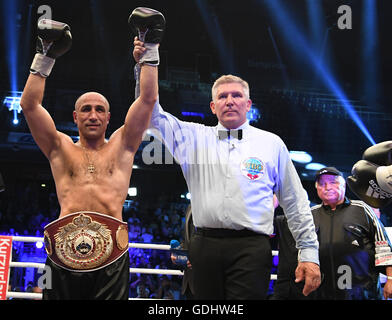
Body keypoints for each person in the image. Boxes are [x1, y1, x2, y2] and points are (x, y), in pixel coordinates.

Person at [133, 41, 321, 299]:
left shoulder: (271, 143)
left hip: (252, 247)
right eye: (222, 96)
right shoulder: (193, 137)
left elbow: (295, 202)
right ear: (213, 106)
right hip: (204, 244)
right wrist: (148, 60)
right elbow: (150, 113)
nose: (229, 101)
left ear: (248, 104)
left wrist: (309, 253)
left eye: (236, 96)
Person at [19, 9, 163, 300]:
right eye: (86, 109)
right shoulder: (60, 148)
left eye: (100, 110)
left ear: (110, 118)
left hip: (111, 256)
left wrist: (149, 50)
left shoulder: (123, 146)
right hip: (60, 256)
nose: (93, 115)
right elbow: (30, 106)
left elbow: (148, 99)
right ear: (75, 116)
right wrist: (44, 56)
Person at [312, 166, 392, 299]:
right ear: (316, 188)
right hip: (322, 292)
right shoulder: (310, 214)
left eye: (333, 182)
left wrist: (390, 278)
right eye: (322, 184)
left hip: (362, 292)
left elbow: (383, 246)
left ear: (343, 184)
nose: (327, 187)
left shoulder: (362, 209)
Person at [170, 204, 195, 299]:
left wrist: (198, 258)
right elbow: (187, 238)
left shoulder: (214, 206)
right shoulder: (190, 206)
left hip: (206, 276)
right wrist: (178, 254)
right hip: (189, 279)